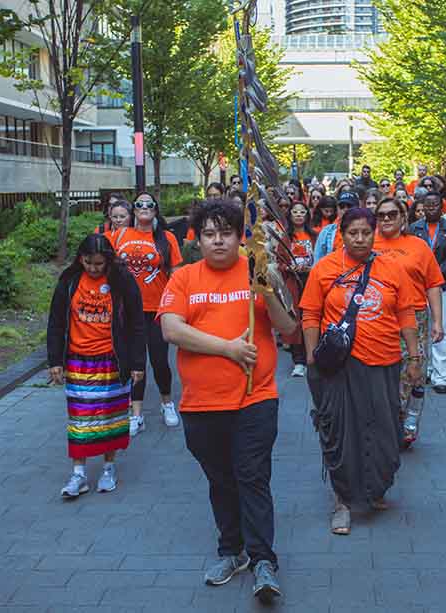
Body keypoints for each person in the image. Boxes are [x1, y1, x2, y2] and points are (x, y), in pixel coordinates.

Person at [158, 199, 296, 603]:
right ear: (197, 239)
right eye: (209, 234)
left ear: (239, 237)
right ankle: (231, 549)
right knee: (220, 480)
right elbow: (171, 330)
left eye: (226, 233)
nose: (218, 241)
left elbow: (288, 329)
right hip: (201, 404)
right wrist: (228, 349)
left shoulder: (258, 272)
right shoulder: (183, 279)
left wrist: (265, 288)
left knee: (252, 476)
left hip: (255, 398)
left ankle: (263, 560)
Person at [301, 208, 420, 535]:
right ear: (341, 234)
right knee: (342, 432)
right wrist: (312, 358)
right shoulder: (325, 269)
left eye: (366, 232)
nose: (359, 239)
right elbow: (310, 314)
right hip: (339, 367)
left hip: (384, 362)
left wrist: (414, 357)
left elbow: (406, 313)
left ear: (374, 233)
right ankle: (343, 501)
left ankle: (375, 488)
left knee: (386, 430)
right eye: (352, 233)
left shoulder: (392, 267)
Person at [47, 233, 146, 497]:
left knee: (110, 417)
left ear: (109, 262)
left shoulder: (122, 281)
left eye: (99, 264)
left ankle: (108, 468)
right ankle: (78, 474)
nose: (93, 268)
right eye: (88, 262)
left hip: (113, 360)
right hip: (78, 361)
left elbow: (137, 323)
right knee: (80, 419)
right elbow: (56, 321)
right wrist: (55, 360)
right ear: (81, 259)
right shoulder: (69, 281)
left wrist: (137, 363)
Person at [373, 197, 444, 446]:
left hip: (415, 318)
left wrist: (437, 321)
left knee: (414, 372)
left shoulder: (418, 246)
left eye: (393, 214)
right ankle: (388, 422)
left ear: (404, 218)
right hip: (379, 317)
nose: (387, 219)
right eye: (381, 215)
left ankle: (409, 423)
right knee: (386, 374)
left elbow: (433, 284)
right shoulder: (367, 244)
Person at [110, 192, 183, 433]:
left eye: (148, 204)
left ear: (155, 210)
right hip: (129, 311)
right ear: (133, 210)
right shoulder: (120, 235)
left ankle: (167, 403)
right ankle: (136, 413)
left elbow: (176, 275)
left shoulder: (167, 238)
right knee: (134, 361)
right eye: (139, 204)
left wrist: (176, 306)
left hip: (157, 310)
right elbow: (104, 267)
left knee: (160, 360)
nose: (144, 207)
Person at [410, 192, 446, 394]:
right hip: (419, 285)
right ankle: (427, 369)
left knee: (442, 327)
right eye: (427, 205)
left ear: (442, 207)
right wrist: (424, 275)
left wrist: (435, 273)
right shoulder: (414, 229)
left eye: (435, 205)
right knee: (422, 328)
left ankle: (441, 377)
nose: (431, 208)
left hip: (445, 285)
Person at [287, 201, 316, 377]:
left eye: (302, 212)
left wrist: (311, 269)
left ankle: (311, 354)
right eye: (295, 212)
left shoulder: (314, 236)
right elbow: (280, 260)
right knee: (295, 318)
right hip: (292, 281)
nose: (298, 215)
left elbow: (320, 257)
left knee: (310, 316)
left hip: (310, 279)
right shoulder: (286, 236)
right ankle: (298, 360)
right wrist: (288, 268)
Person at [313, 190, 359, 261]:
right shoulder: (326, 231)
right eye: (342, 207)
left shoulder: (365, 231)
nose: (345, 210)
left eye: (350, 206)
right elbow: (317, 261)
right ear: (337, 209)